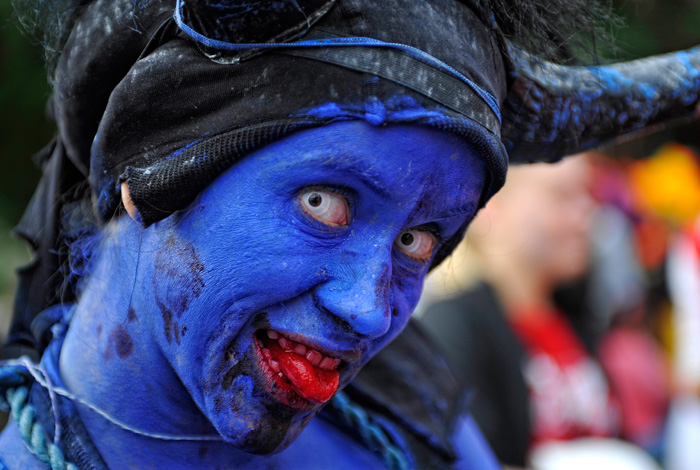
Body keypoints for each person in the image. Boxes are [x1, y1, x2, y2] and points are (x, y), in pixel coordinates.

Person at [1, 0, 699, 469]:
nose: (368, 308)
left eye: (418, 241)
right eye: (322, 203)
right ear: (149, 169)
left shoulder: (416, 424)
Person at [419, 157, 661, 470]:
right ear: (492, 207)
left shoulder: (577, 321)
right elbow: (461, 460)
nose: (587, 212)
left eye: (588, 195)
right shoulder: (455, 324)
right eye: (563, 195)